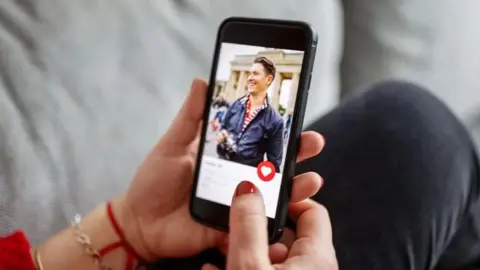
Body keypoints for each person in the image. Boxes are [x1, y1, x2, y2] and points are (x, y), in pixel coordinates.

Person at [0, 78, 334, 270]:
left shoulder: (274, 119)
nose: (251, 82)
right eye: (249, 77)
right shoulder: (234, 107)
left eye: (258, 77)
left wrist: (130, 224)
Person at [217, 56, 284, 173]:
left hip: (245, 174)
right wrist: (221, 134)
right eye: (249, 74)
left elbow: (274, 165)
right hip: (222, 164)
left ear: (268, 79)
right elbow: (223, 127)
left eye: (255, 74)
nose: (250, 78)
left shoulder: (275, 121)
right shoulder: (235, 105)